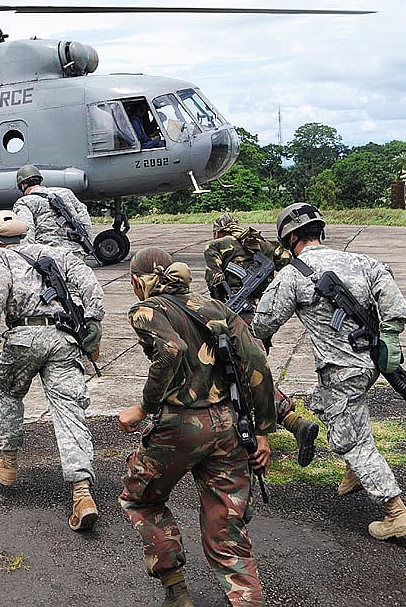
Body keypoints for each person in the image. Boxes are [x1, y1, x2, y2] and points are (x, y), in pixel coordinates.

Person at [252, 203, 406, 541]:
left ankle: (395, 511)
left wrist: (260, 335)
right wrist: (390, 333)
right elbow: (390, 291)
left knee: (350, 439)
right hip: (371, 362)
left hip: (342, 370)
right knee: (320, 402)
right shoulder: (359, 261)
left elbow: (264, 321)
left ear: (291, 237)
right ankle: (355, 471)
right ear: (320, 231)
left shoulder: (294, 274)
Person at [118, 247, 275, 607]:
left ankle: (176, 590)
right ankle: (248, 600)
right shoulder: (216, 308)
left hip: (180, 427)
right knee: (226, 523)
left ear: (140, 281)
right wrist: (262, 431)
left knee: (140, 499)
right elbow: (256, 362)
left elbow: (169, 350)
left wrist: (143, 408)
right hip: (227, 426)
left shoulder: (147, 309)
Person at [0, 210, 105, 531]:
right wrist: (94, 318)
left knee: (9, 394)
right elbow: (87, 279)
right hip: (63, 338)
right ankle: (82, 494)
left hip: (23, 338)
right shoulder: (53, 252)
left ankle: (8, 465)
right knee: (69, 409)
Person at [204, 212, 320, 467]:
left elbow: (215, 283)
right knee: (255, 372)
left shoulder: (217, 247)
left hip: (236, 319)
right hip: (263, 319)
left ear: (218, 232)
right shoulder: (264, 244)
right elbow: (294, 263)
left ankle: (285, 423)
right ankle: (292, 423)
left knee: (242, 375)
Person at [12, 164, 93, 260]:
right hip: (76, 254)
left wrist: (28, 258)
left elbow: (26, 231)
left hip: (50, 256)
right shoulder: (66, 192)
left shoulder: (24, 202)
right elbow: (84, 217)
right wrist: (87, 242)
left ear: (23, 185)